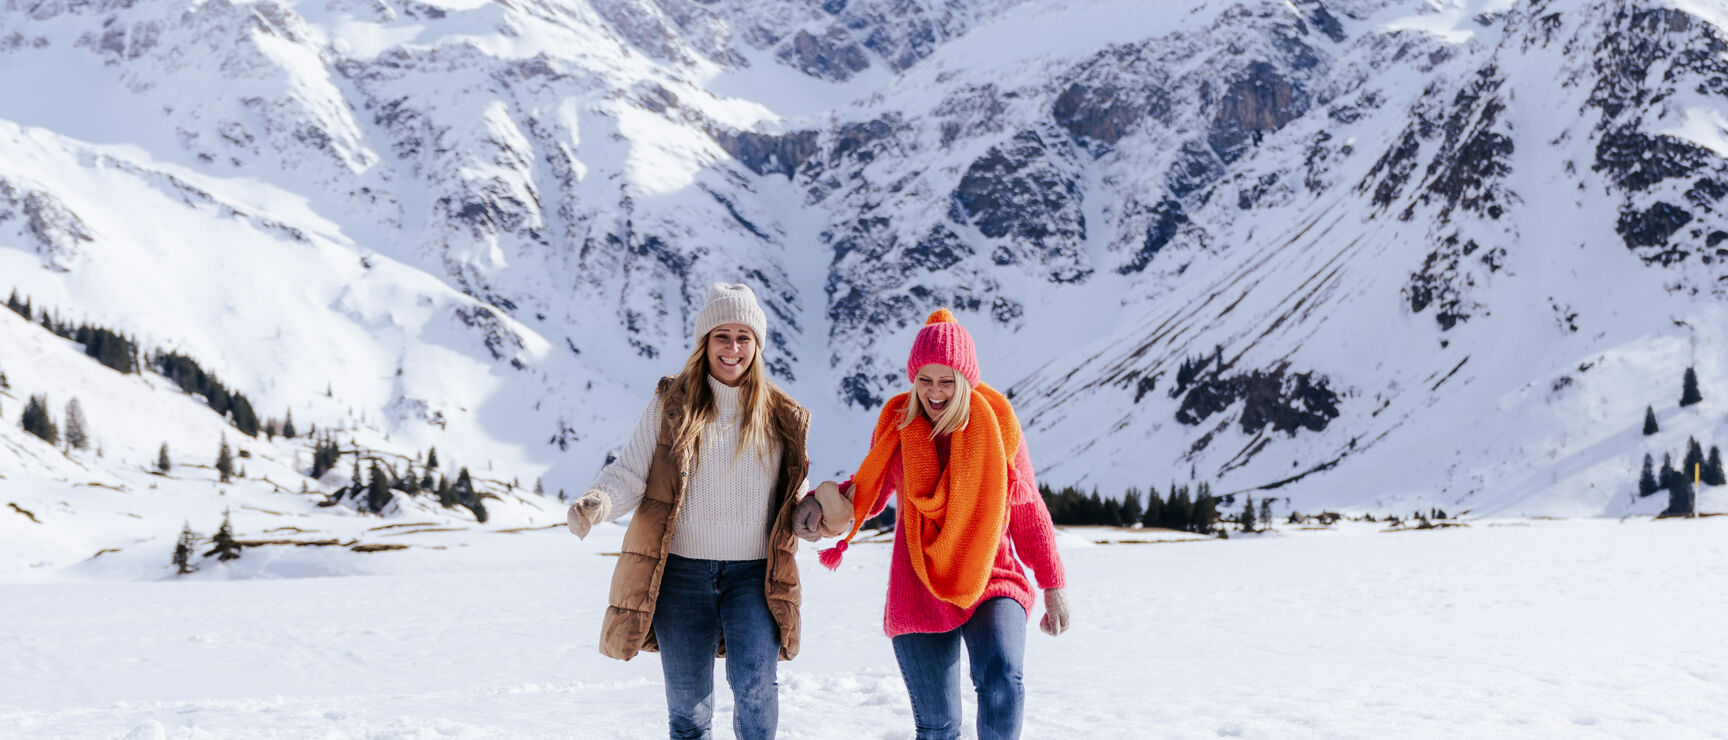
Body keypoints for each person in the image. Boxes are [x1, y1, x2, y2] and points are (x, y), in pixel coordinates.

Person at [801, 308, 1070, 740]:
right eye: (925, 380)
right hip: (919, 582)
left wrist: (1053, 585)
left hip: (990, 574)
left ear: (966, 380)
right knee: (938, 725)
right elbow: (869, 488)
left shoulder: (998, 426)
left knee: (1002, 680)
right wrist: (822, 506)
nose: (935, 391)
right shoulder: (900, 426)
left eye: (947, 380)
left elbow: (1027, 509)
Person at [567, 282, 811, 740]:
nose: (733, 348)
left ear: (757, 345)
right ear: (705, 342)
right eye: (722, 336)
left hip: (755, 577)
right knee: (689, 711)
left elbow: (795, 495)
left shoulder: (781, 415)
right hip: (682, 576)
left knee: (756, 687)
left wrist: (812, 516)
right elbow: (630, 472)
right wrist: (599, 502)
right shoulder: (671, 405)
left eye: (743, 337)